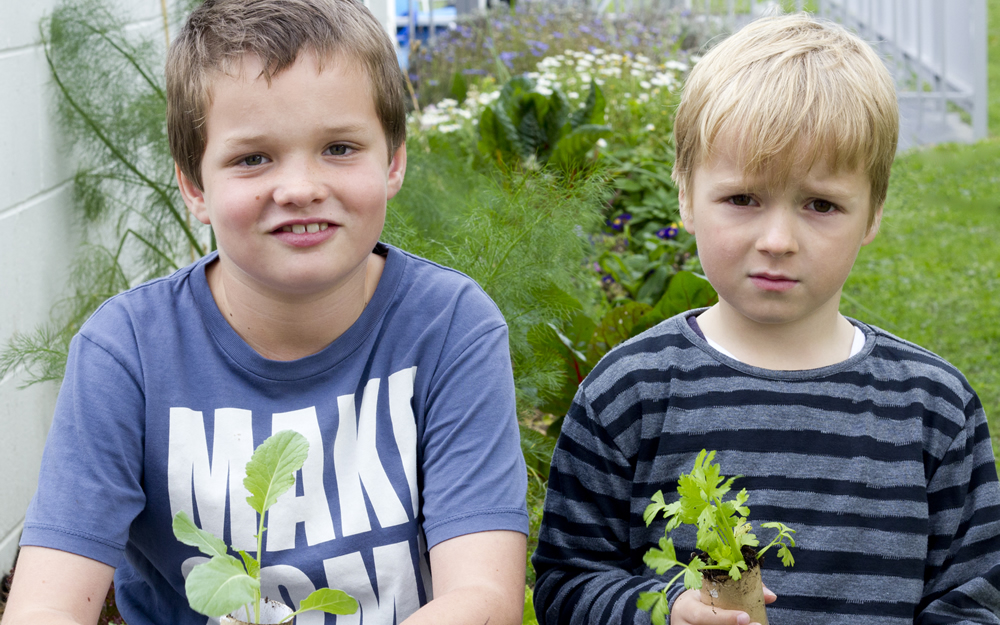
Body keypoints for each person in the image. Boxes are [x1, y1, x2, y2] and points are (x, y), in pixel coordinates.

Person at [1, 1, 528, 624]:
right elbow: (44, 606)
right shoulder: (128, 351)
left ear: (393, 161)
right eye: (253, 158)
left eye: (338, 146)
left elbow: (482, 598)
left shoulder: (450, 328)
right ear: (195, 187)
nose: (300, 187)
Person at [532, 13, 1000, 625]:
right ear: (686, 197)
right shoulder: (631, 390)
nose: (777, 239)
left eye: (821, 204)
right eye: (743, 199)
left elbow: (973, 600)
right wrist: (665, 614)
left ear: (873, 213)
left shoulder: (933, 407)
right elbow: (567, 584)